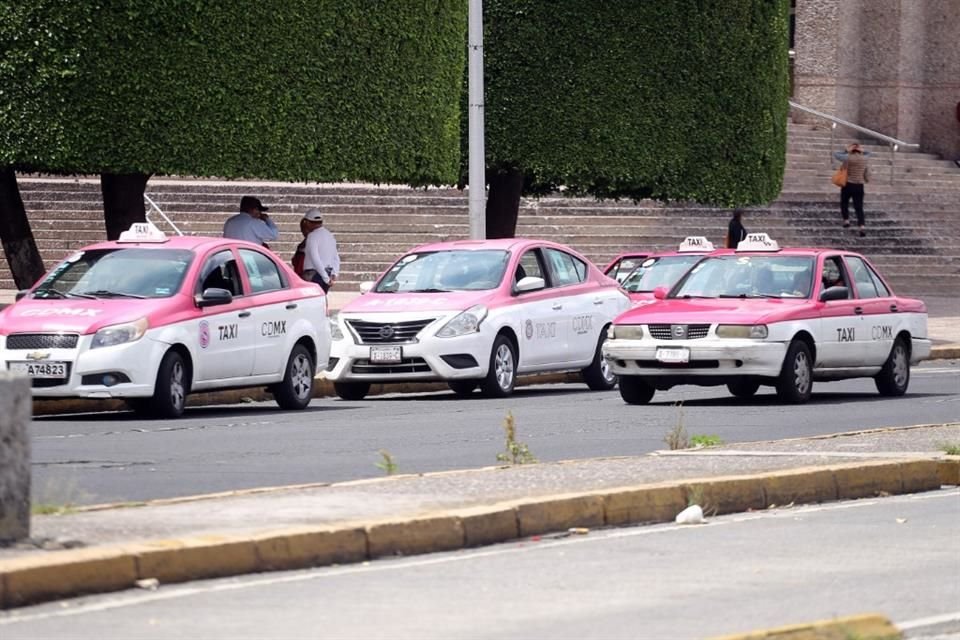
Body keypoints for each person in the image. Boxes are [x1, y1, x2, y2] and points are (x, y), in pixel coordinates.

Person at [834, 143, 870, 237]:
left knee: (844, 202)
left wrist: (846, 151)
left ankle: (846, 220)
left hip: (848, 184)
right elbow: (869, 154)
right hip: (859, 185)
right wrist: (862, 150)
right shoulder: (864, 159)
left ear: (852, 150)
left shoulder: (847, 158)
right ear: (860, 150)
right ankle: (862, 226)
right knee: (859, 207)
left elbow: (836, 154)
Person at [301, 209, 340, 293]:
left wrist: (325, 278)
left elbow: (315, 258)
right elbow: (336, 257)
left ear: (308, 222)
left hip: (314, 274)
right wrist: (334, 273)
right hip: (328, 271)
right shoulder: (330, 235)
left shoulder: (312, 236)